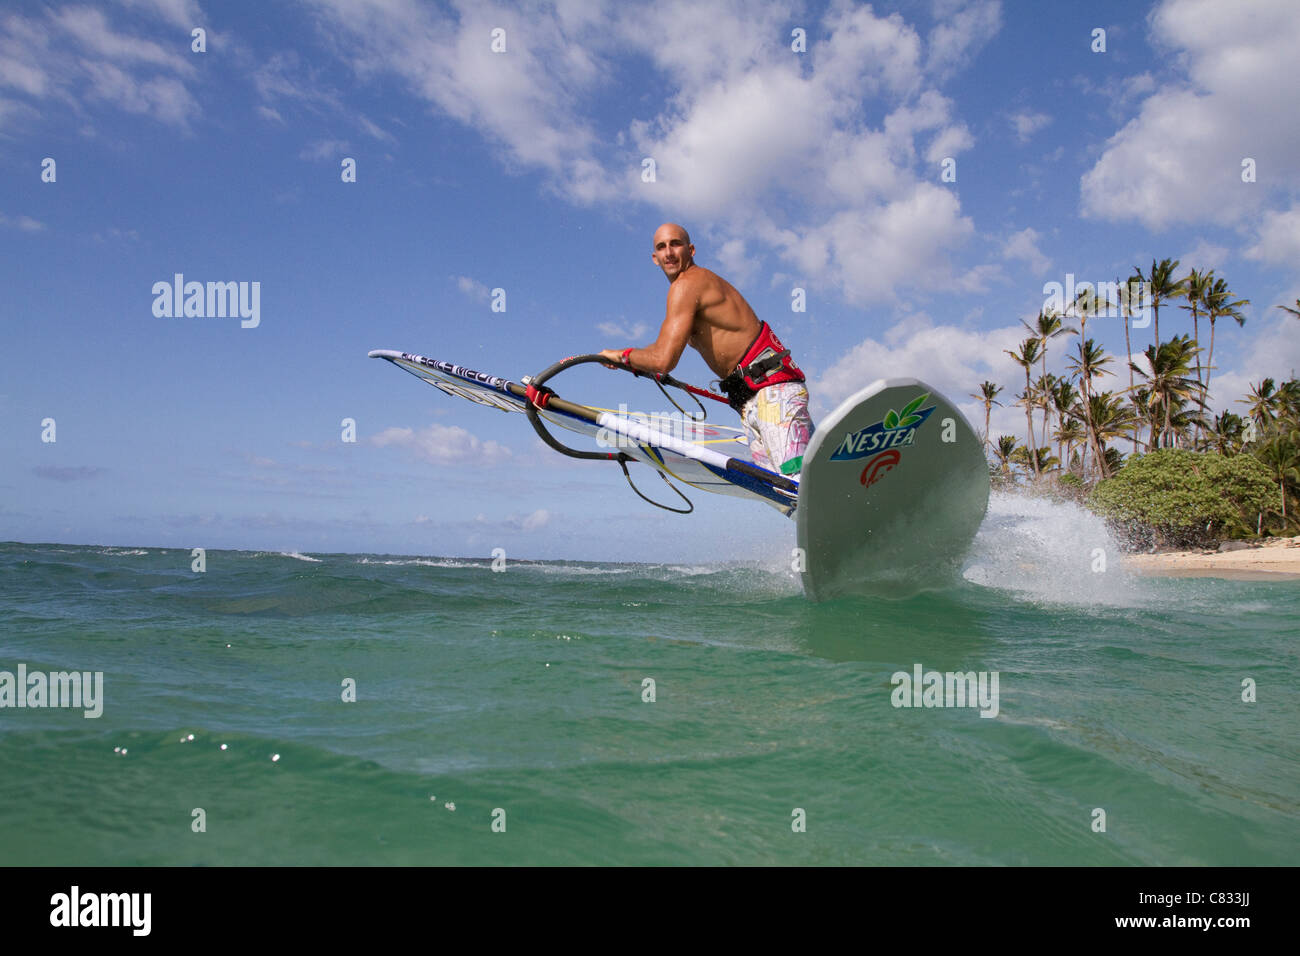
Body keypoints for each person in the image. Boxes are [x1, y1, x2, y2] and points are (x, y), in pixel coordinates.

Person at [599, 223, 814, 478]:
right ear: (654, 259)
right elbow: (657, 350)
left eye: (675, 244)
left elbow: (663, 360)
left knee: (799, 487)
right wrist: (630, 360)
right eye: (661, 247)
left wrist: (622, 355)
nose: (668, 252)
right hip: (752, 402)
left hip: (773, 395)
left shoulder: (688, 284)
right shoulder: (684, 290)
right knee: (786, 495)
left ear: (691, 250)